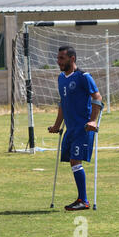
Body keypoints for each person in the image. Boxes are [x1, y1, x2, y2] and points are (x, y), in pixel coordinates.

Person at [48, 46, 102, 211]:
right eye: (58, 58)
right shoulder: (61, 78)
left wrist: (93, 121)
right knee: (72, 161)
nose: (58, 61)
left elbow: (97, 97)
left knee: (75, 160)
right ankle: (81, 199)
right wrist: (57, 125)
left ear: (72, 59)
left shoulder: (84, 77)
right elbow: (63, 104)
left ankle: (83, 200)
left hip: (83, 127)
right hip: (70, 128)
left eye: (61, 58)